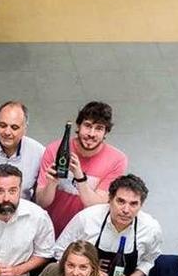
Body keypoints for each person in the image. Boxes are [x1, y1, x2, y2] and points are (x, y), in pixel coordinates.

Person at [35, 101, 128, 236]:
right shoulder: (54, 149)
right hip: (48, 230)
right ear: (78, 126)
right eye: (87, 126)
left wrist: (80, 177)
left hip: (86, 235)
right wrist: (51, 183)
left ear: (105, 133)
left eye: (99, 128)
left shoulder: (117, 160)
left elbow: (97, 206)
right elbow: (41, 202)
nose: (91, 133)